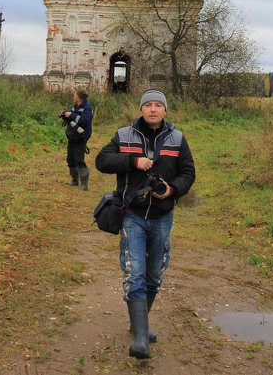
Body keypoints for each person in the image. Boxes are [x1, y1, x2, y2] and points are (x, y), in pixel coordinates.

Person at [95, 88, 195, 359]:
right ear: (140, 109)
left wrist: (171, 190)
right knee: (135, 271)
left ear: (165, 110)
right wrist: (133, 161)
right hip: (133, 214)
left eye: (157, 105)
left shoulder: (177, 139)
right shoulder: (124, 135)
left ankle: (139, 322)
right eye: (148, 105)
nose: (152, 109)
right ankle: (141, 337)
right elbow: (102, 161)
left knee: (154, 274)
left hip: (162, 216)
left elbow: (188, 173)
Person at [62, 89, 93, 190]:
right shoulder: (76, 106)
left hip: (81, 136)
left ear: (79, 98)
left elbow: (84, 121)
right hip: (73, 135)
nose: (73, 95)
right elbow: (72, 116)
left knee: (79, 160)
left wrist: (71, 115)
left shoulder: (87, 108)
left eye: (75, 94)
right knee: (70, 158)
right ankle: (74, 181)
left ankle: (84, 185)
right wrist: (65, 115)